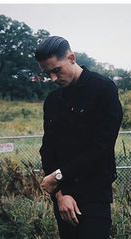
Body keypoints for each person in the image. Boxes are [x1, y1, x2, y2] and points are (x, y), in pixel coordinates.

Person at [35, 36, 123, 239]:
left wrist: (58, 176)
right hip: (63, 197)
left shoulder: (103, 89)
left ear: (72, 58)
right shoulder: (53, 101)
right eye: (47, 73)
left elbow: (101, 146)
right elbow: (48, 149)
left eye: (56, 70)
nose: (53, 79)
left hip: (94, 195)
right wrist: (59, 195)